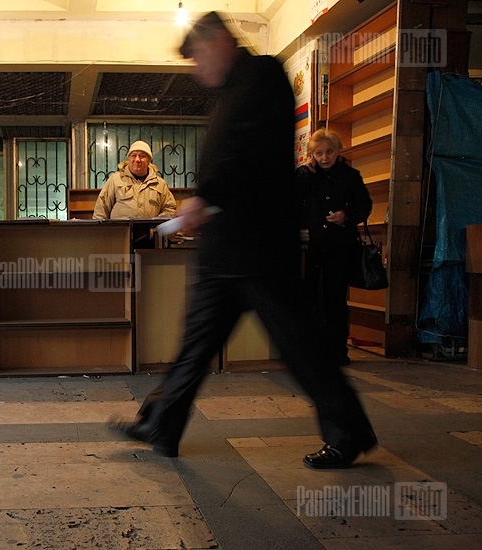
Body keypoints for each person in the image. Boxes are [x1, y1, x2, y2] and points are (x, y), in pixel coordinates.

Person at [108, 12, 376, 470]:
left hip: (260, 248)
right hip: (224, 250)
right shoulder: (231, 92)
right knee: (193, 344)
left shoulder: (264, 75)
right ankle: (161, 424)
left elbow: (247, 150)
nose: (195, 70)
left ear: (219, 41)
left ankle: (348, 430)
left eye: (196, 57)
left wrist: (205, 197)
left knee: (299, 345)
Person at [297, 129, 372, 367]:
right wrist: (303, 173)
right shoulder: (308, 175)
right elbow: (292, 199)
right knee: (308, 297)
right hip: (313, 245)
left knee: (335, 300)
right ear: (312, 155)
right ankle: (308, 350)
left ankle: (338, 352)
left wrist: (346, 216)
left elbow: (365, 206)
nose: (324, 157)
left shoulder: (350, 176)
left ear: (338, 151)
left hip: (340, 246)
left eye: (329, 151)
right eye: (318, 153)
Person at [92, 140, 177, 219]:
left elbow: (170, 209)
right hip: (121, 234)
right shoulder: (115, 180)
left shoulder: (160, 184)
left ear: (149, 161)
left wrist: (157, 222)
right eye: (133, 155)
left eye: (142, 156)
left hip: (150, 234)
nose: (137, 159)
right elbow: (101, 210)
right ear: (129, 158)